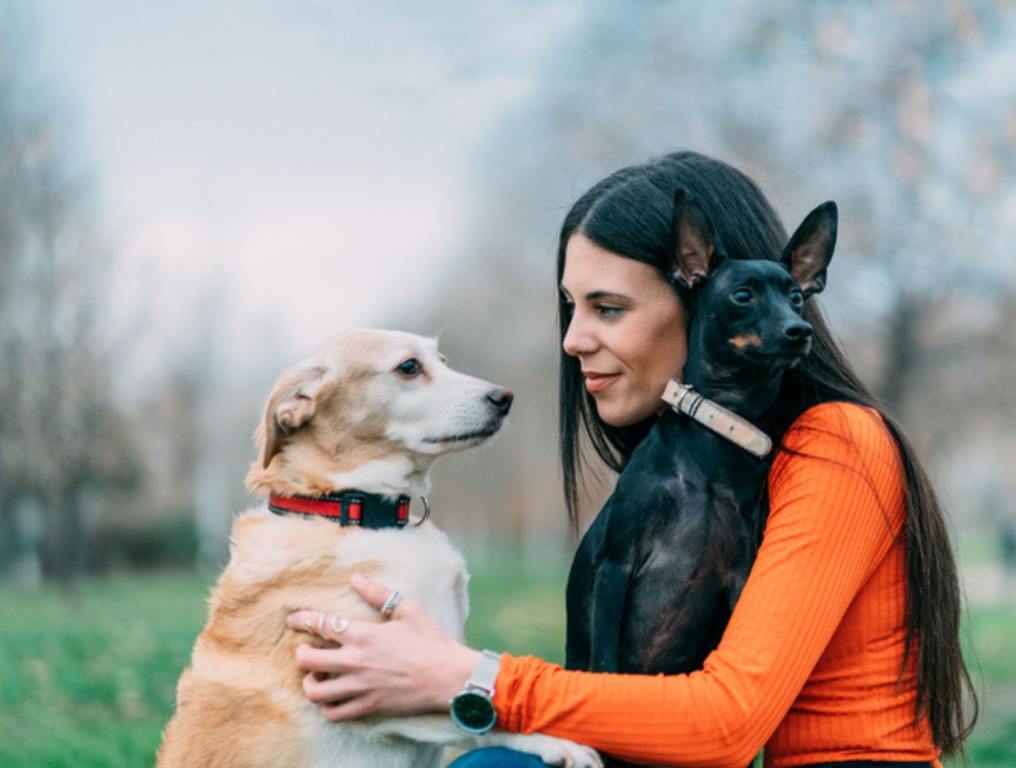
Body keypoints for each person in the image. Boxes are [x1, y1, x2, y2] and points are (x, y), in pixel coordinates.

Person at [286, 152, 977, 767]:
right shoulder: (702, 468)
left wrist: (468, 678)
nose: (574, 340)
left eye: (609, 308)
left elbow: (727, 722)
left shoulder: (837, 442)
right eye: (571, 308)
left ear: (701, 289)